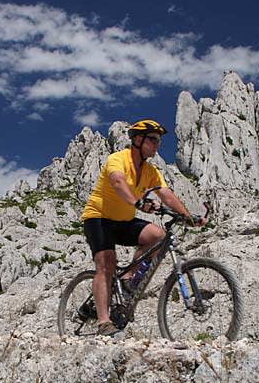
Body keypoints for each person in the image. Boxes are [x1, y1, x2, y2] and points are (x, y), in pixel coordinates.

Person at [81, 119, 206, 337]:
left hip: (123, 222)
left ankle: (128, 278)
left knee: (158, 235)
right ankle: (103, 321)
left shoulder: (150, 171)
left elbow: (166, 194)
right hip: (98, 218)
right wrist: (137, 202)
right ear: (138, 140)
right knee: (106, 263)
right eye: (153, 139)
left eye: (159, 141)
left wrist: (188, 217)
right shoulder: (117, 159)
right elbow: (118, 182)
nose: (157, 145)